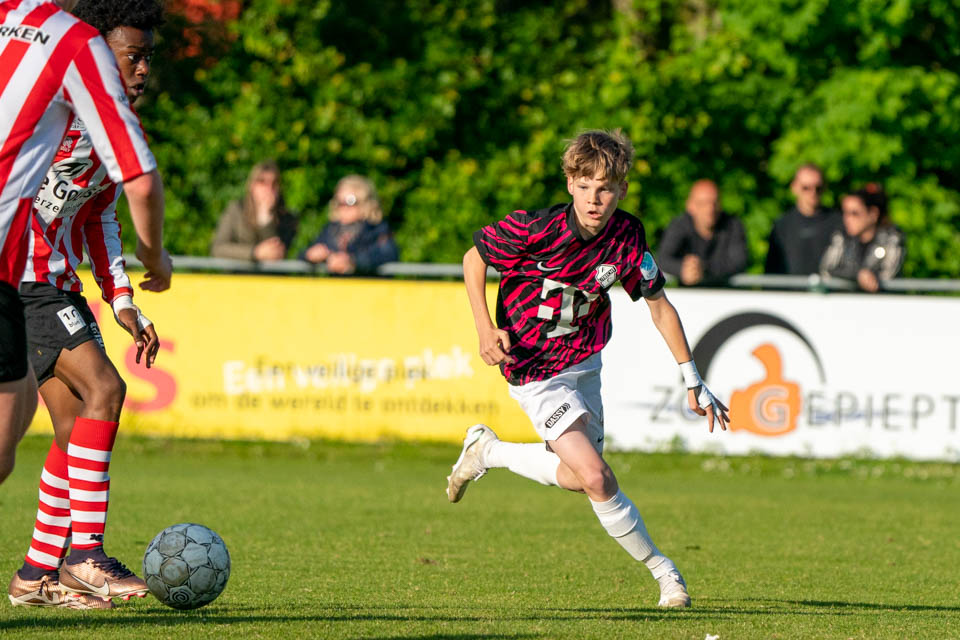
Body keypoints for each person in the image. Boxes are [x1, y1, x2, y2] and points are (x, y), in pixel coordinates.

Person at [447, 130, 729, 608]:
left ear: (620, 189)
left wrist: (693, 379)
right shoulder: (536, 228)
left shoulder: (628, 236)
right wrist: (483, 327)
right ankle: (666, 574)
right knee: (598, 477)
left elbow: (659, 306)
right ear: (569, 184)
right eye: (584, 186)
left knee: (582, 478)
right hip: (533, 368)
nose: (594, 199)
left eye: (605, 188)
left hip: (584, 363)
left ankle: (487, 451)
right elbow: (475, 258)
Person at [1, 0, 171, 610]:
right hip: (25, 278)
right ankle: (85, 555)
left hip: (55, 284)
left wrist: (123, 298)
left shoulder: (114, 128)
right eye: (133, 54)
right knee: (106, 390)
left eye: (150, 56)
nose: (143, 68)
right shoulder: (49, 109)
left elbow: (100, 215)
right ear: (95, 50)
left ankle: (34, 574)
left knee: (73, 425)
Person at [302, 175, 398, 274]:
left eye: (350, 201)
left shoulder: (376, 229)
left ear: (364, 203)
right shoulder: (330, 230)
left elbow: (387, 254)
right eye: (339, 202)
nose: (344, 207)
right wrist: (310, 255)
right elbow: (300, 255)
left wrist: (353, 261)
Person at [658, 180, 747, 285]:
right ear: (690, 205)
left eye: (714, 202)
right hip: (688, 296)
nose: (710, 209)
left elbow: (740, 262)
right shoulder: (679, 225)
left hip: (725, 295)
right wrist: (681, 268)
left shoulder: (733, 225)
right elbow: (662, 258)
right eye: (703, 203)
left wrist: (704, 268)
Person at [820, 184, 904, 292]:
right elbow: (826, 269)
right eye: (845, 213)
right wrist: (858, 275)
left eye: (854, 213)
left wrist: (869, 278)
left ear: (873, 214)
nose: (847, 219)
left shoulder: (893, 238)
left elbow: (888, 274)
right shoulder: (842, 237)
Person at [211, 160, 298, 261]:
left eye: (274, 184)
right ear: (252, 186)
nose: (268, 189)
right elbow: (218, 249)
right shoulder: (235, 210)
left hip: (271, 276)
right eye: (262, 182)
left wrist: (266, 223)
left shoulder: (287, 218)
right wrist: (254, 253)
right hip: (238, 275)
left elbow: (277, 255)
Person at [765, 164, 842, 275]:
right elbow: (771, 269)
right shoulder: (782, 225)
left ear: (824, 187)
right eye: (806, 187)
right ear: (794, 187)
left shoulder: (838, 222)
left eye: (818, 188)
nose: (813, 193)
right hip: (789, 291)